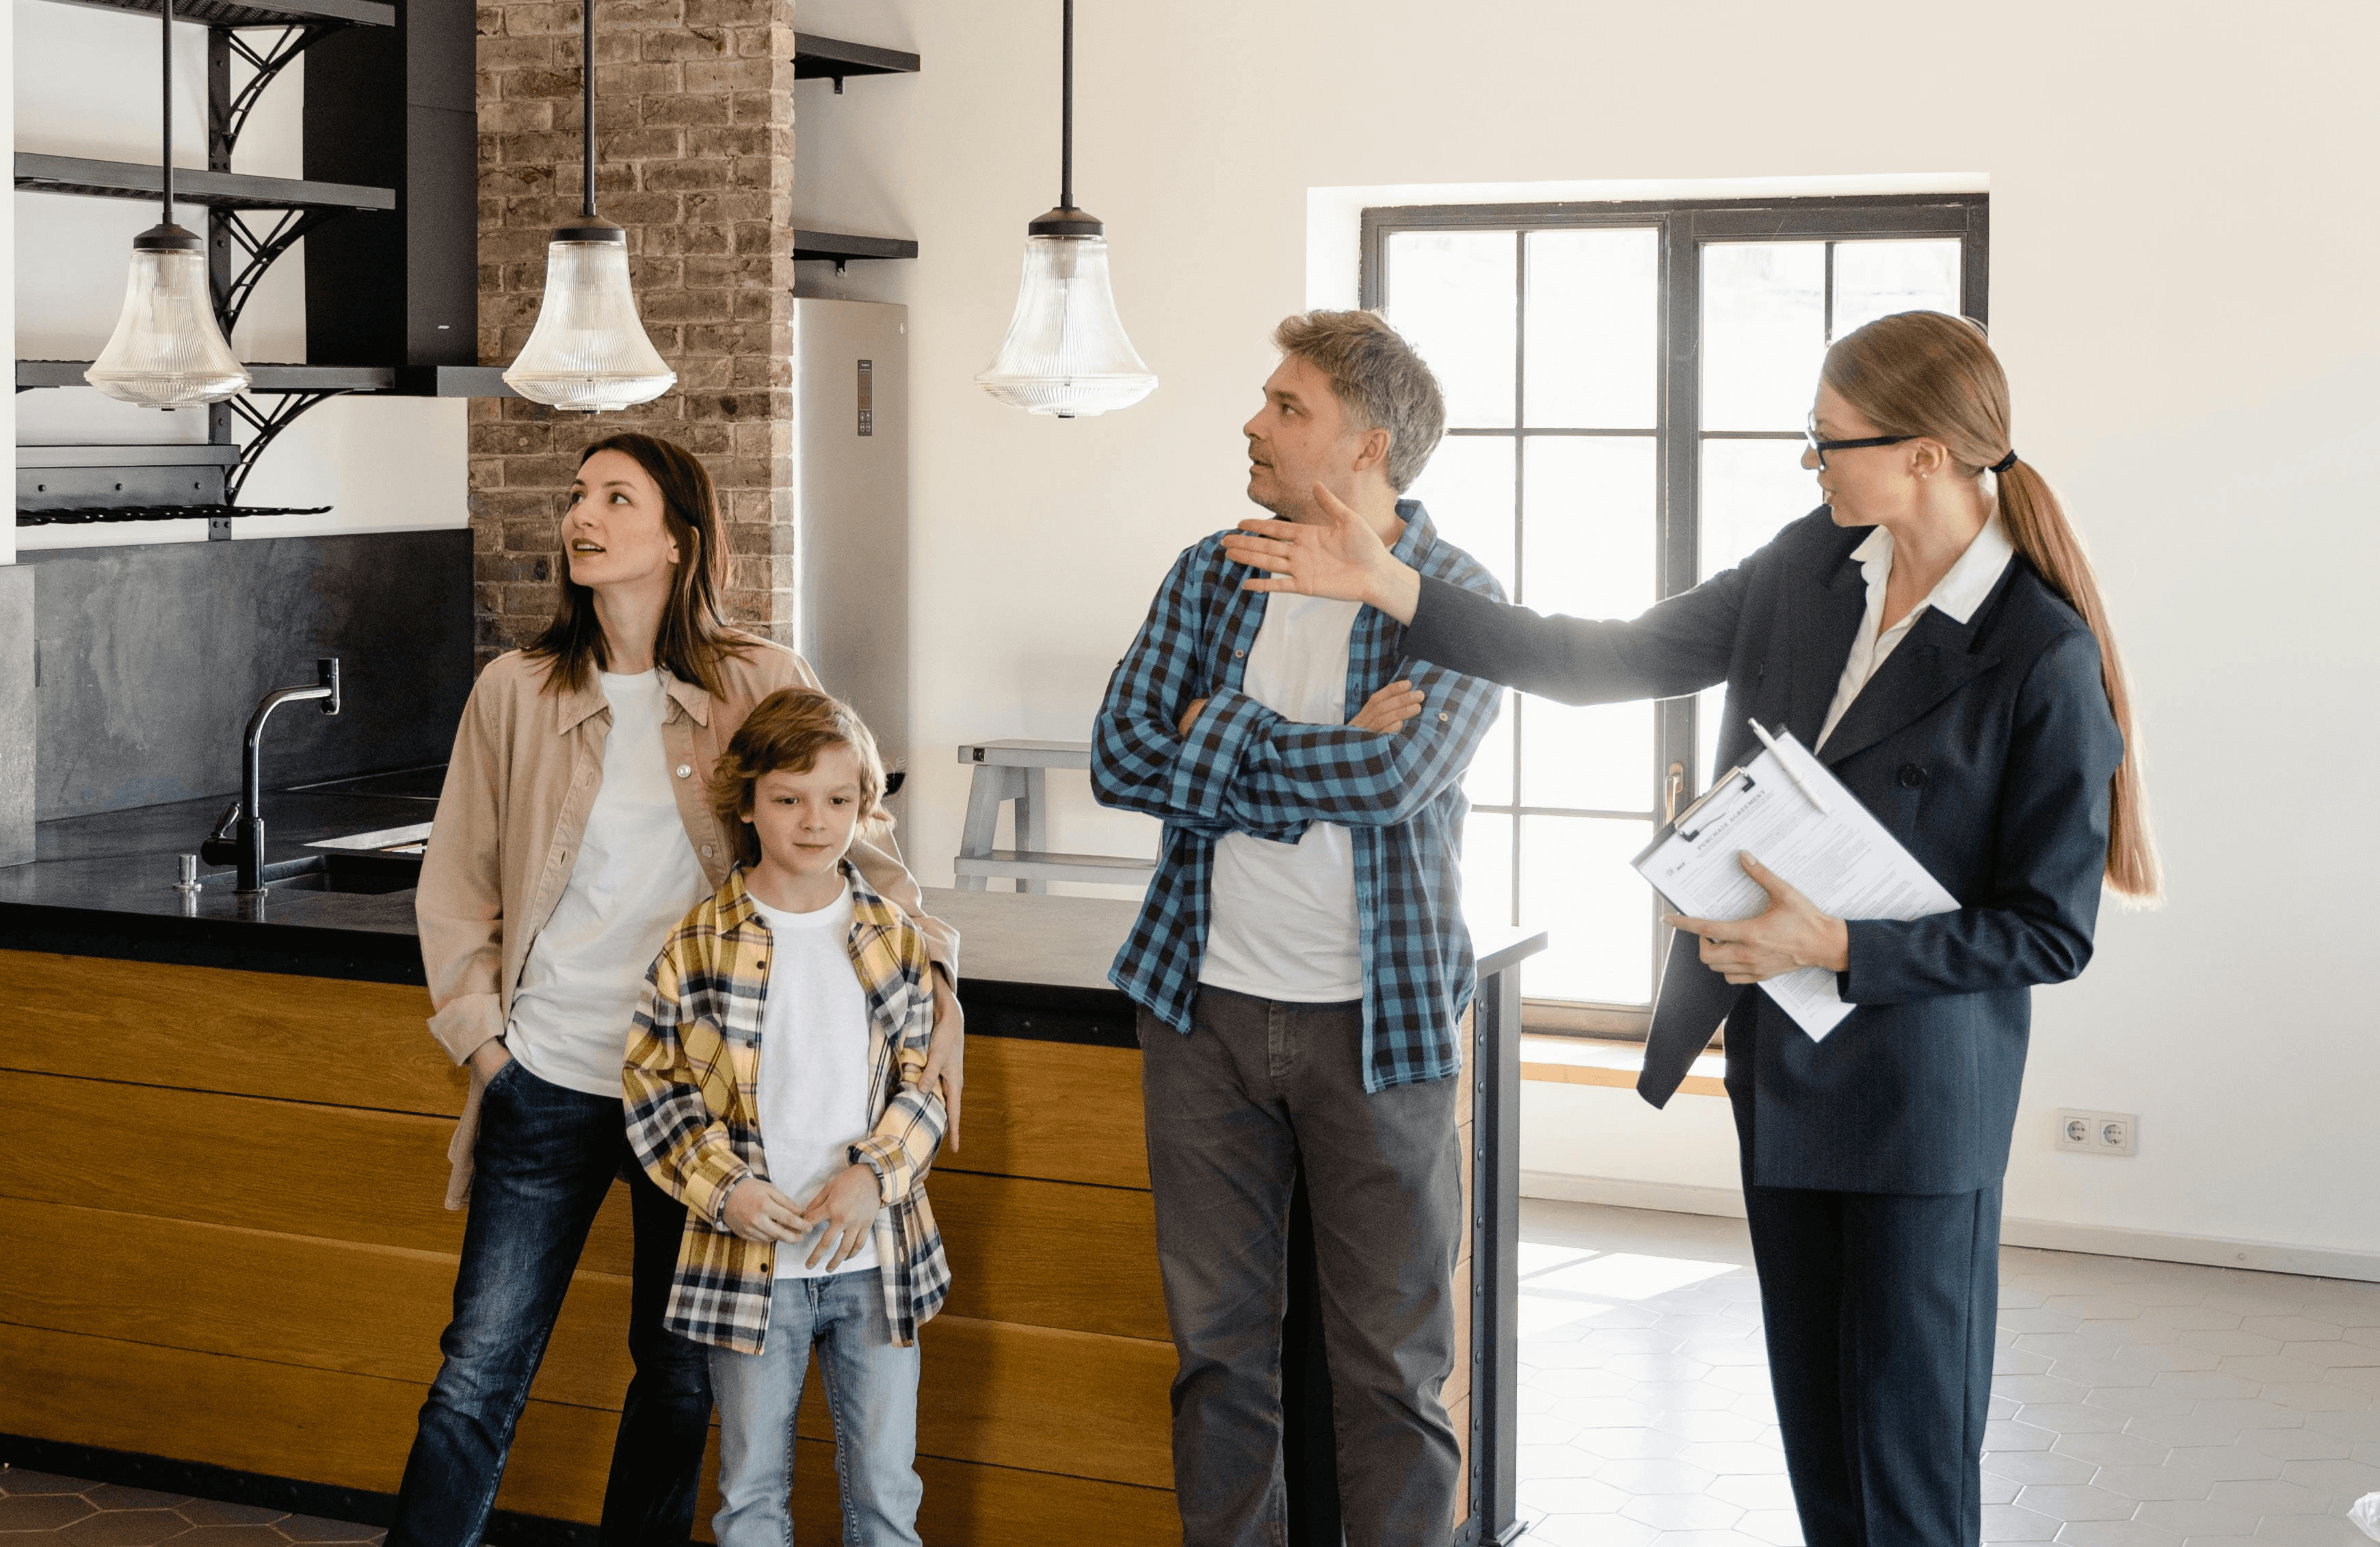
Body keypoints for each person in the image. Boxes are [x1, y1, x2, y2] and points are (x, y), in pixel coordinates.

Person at [1218, 309, 2158, 1547]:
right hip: (1786, 1068)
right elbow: (1596, 658)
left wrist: (1837, 948)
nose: (1811, 466)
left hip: (1922, 1101)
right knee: (1823, 1448)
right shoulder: (1809, 568)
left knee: (1912, 1465)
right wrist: (1390, 583)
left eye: (1828, 443)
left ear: (1927, 454)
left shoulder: (2040, 651)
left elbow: (2049, 931)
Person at [399, 433, 963, 1547]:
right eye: (576, 496)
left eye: (617, 496)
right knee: (478, 1374)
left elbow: (862, 833)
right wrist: (485, 1054)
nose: (582, 515)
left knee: (679, 1378)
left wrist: (934, 975)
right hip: (548, 1081)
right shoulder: (513, 692)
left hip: (706, 1110)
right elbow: (456, 883)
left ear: (678, 536)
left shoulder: (759, 680)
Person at [1090, 310, 1507, 1547]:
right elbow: (1120, 756)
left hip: (1380, 1033)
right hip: (1201, 1013)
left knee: (1391, 1374)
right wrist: (1320, 744)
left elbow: (1396, 784)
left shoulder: (1461, 602)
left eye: (1288, 406)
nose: (1253, 424)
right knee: (1218, 1361)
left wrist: (1214, 739)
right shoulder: (1213, 568)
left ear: (1366, 443)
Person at [624, 687, 947, 1547]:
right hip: (747, 1263)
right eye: (789, 799)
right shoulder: (697, 945)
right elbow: (654, 1087)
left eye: (840, 801)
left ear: (866, 808)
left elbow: (925, 1089)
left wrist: (875, 1176)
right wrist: (723, 1191)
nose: (815, 823)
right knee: (749, 1497)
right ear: (747, 801)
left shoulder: (895, 939)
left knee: (886, 1492)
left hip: (875, 1260)